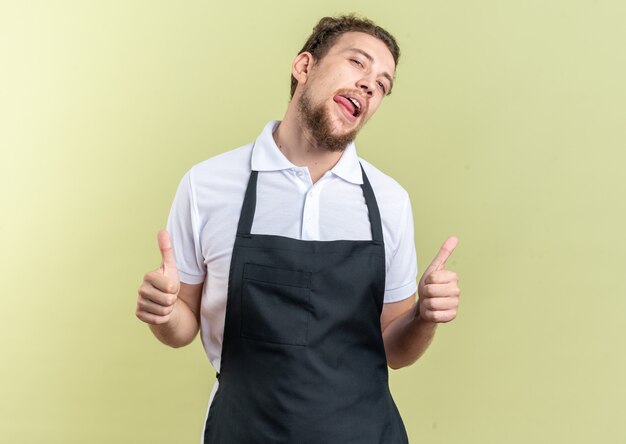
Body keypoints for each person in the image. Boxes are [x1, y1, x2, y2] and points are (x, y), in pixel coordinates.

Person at [136, 15, 461, 444]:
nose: (369, 85)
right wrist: (163, 313)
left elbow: (395, 350)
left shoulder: (389, 200)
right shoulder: (208, 184)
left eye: (383, 84)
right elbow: (183, 326)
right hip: (244, 431)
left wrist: (423, 318)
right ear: (304, 67)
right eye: (357, 63)